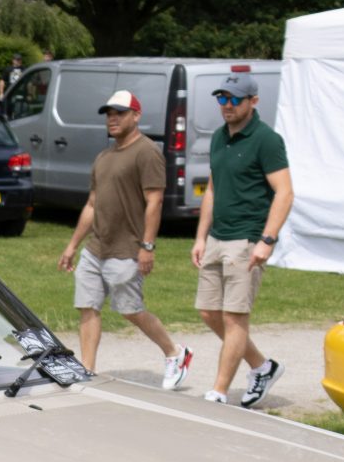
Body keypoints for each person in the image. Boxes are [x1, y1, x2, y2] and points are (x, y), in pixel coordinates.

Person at [57, 90, 190, 385]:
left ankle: (175, 352)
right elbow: (92, 204)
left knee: (130, 310)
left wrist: (147, 246)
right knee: (87, 307)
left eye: (119, 113)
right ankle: (86, 371)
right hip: (96, 248)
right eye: (109, 114)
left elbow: (154, 202)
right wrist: (72, 245)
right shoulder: (103, 157)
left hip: (127, 248)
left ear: (136, 116)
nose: (113, 119)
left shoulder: (147, 152)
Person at [189, 71, 293, 407]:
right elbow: (213, 189)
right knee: (208, 312)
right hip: (217, 237)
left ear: (253, 102)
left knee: (234, 318)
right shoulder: (219, 137)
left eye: (234, 99)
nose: (227, 105)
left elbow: (285, 192)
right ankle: (262, 366)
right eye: (222, 98)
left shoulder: (266, 140)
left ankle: (218, 391)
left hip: (246, 240)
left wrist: (267, 239)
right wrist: (200, 237)